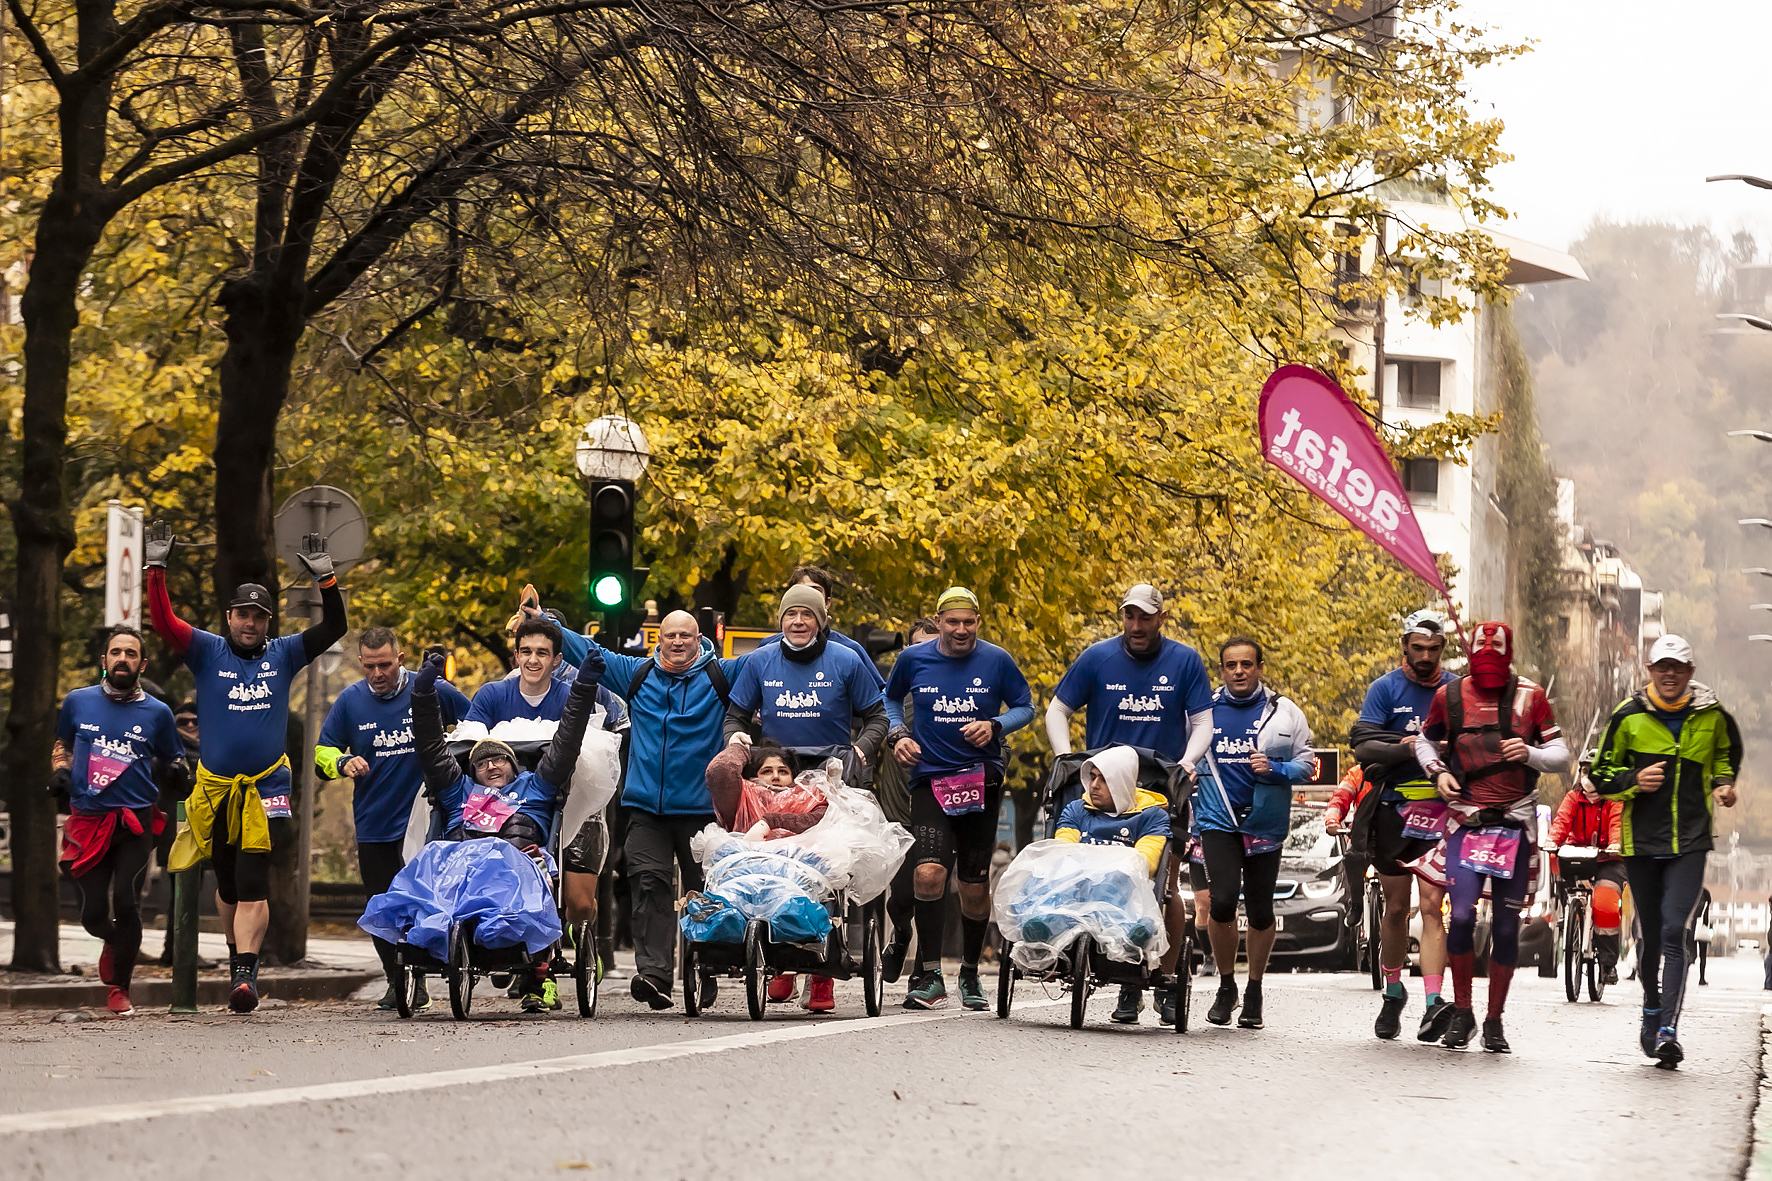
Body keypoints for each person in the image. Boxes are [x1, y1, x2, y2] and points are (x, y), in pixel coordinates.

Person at [145, 521, 347, 1014]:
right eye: (242, 615)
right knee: (229, 882)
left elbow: (334, 628)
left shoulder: (284, 653)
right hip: (215, 787)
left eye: (259, 616)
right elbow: (165, 622)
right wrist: (156, 569)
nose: (250, 623)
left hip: (267, 785)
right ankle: (239, 953)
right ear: (229, 616)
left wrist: (327, 581)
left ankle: (245, 976)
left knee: (255, 876)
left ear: (268, 622)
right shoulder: (207, 651)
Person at [1044, 583, 1213, 1024]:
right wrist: (1065, 755)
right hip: (1103, 785)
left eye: (1145, 617)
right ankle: (1124, 983)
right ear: (1122, 617)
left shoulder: (1185, 660)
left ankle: (1166, 975)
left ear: (1160, 618)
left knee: (1165, 886)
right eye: (1129, 617)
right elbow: (1057, 709)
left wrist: (1187, 763)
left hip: (1160, 787)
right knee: (1095, 878)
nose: (1136, 626)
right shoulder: (1097, 657)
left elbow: (1202, 722)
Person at [409, 647, 606, 1011]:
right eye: (482, 762)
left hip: (518, 871)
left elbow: (565, 743)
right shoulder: (459, 792)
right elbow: (431, 749)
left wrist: (584, 686)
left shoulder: (536, 787)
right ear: (472, 771)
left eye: (499, 758)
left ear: (514, 765)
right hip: (460, 871)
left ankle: (536, 976)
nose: (492, 766)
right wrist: (423, 693)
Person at [725, 584, 889, 1012]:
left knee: (823, 869)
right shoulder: (761, 661)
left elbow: (877, 715)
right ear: (780, 620)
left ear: (821, 620)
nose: (798, 622)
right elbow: (736, 715)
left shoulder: (846, 660)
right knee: (777, 864)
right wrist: (737, 741)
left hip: (830, 779)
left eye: (807, 615)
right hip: (776, 779)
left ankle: (821, 975)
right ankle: (781, 966)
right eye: (790, 615)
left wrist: (862, 749)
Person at [1413, 621, 1567, 1053]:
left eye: (1496, 645)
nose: (1487, 650)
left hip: (1515, 827)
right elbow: (1424, 741)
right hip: (1467, 822)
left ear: (1509, 649)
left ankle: (1494, 1019)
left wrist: (1531, 752)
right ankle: (1462, 1011)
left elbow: (1561, 754)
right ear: (1469, 647)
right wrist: (1438, 772)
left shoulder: (1531, 697)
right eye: (1481, 643)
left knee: (1505, 927)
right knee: (1459, 916)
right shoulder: (1449, 696)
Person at [1591, 634, 1742, 1068]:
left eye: (1678, 667)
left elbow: (1726, 755)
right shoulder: (1628, 716)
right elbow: (1600, 775)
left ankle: (1669, 1032)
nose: (1670, 673)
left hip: (1691, 841)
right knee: (1649, 935)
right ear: (1649, 671)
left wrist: (1723, 784)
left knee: (1677, 930)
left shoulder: (1712, 716)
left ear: (1691, 672)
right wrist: (1634, 781)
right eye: (1662, 667)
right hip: (1642, 842)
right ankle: (1651, 1009)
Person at [884, 587, 1035, 1011]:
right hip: (930, 778)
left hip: (979, 782)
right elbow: (890, 698)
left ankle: (970, 972)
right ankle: (930, 974)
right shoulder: (914, 659)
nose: (961, 629)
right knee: (928, 875)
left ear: (979, 622)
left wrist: (996, 724)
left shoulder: (996, 659)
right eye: (953, 622)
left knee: (972, 885)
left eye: (969, 622)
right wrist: (899, 734)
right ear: (939, 621)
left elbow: (1026, 706)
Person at [595, 611, 748, 1010]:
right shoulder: (637, 674)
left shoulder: (721, 675)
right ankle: (655, 976)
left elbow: (773, 658)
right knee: (648, 884)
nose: (678, 641)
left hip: (702, 810)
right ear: (657, 638)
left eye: (686, 635)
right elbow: (587, 651)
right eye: (670, 635)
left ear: (700, 638)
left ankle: (707, 967)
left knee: (709, 894)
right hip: (647, 807)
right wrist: (545, 622)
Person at [315, 627, 471, 1011]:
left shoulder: (431, 690)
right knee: (383, 907)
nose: (377, 673)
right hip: (375, 822)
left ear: (400, 660)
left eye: (385, 664)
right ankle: (398, 980)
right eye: (369, 666)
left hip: (430, 822)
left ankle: (446, 966)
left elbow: (476, 728)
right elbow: (322, 749)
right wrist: (340, 761)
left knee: (429, 902)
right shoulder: (351, 701)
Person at [51, 625, 185, 1016]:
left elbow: (173, 756)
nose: (122, 659)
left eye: (130, 653)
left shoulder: (158, 713)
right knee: (92, 913)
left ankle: (119, 988)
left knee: (127, 901)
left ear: (141, 664)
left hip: (135, 822)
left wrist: (178, 770)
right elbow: (63, 743)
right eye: (116, 652)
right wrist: (60, 770)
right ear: (104, 660)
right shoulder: (77, 701)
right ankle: (114, 940)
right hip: (88, 819)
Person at [1194, 638, 1316, 1031]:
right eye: (1231, 665)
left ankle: (1255, 990)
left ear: (1260, 668)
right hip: (1217, 820)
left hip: (1264, 823)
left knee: (1262, 910)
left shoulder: (1284, 712)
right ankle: (1226, 984)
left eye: (1247, 664)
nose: (1239, 671)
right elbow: (1184, 756)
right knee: (1223, 900)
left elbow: (1309, 765)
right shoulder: (1203, 711)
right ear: (1222, 669)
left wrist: (1277, 770)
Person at [1350, 609, 1457, 1042]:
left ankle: (1434, 1001)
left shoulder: (1455, 690)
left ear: (1442, 650)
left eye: (1433, 650)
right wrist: (1410, 747)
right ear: (1404, 647)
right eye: (1418, 649)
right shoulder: (1385, 688)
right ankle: (1394, 992)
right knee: (1397, 908)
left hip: (1441, 811)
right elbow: (1363, 746)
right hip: (1394, 810)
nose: (1426, 657)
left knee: (1433, 907)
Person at [875, 617, 938, 984]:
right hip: (898, 814)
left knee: (931, 886)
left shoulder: (958, 693)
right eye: (916, 648)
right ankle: (901, 934)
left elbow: (999, 742)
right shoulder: (893, 698)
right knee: (900, 895)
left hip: (942, 809)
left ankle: (926, 971)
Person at [1547, 752, 1625, 984]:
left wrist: (1615, 844)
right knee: (1563, 876)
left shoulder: (1614, 800)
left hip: (1609, 859)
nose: (1589, 777)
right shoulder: (1573, 798)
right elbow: (1561, 821)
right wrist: (1553, 840)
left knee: (1606, 904)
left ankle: (1608, 964)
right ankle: (1572, 919)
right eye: (1585, 771)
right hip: (1578, 854)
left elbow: (1617, 823)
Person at [465, 616, 575, 726]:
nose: (533, 660)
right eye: (526, 652)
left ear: (557, 659)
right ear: (517, 656)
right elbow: (469, 740)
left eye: (541, 653)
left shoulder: (571, 700)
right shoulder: (490, 695)